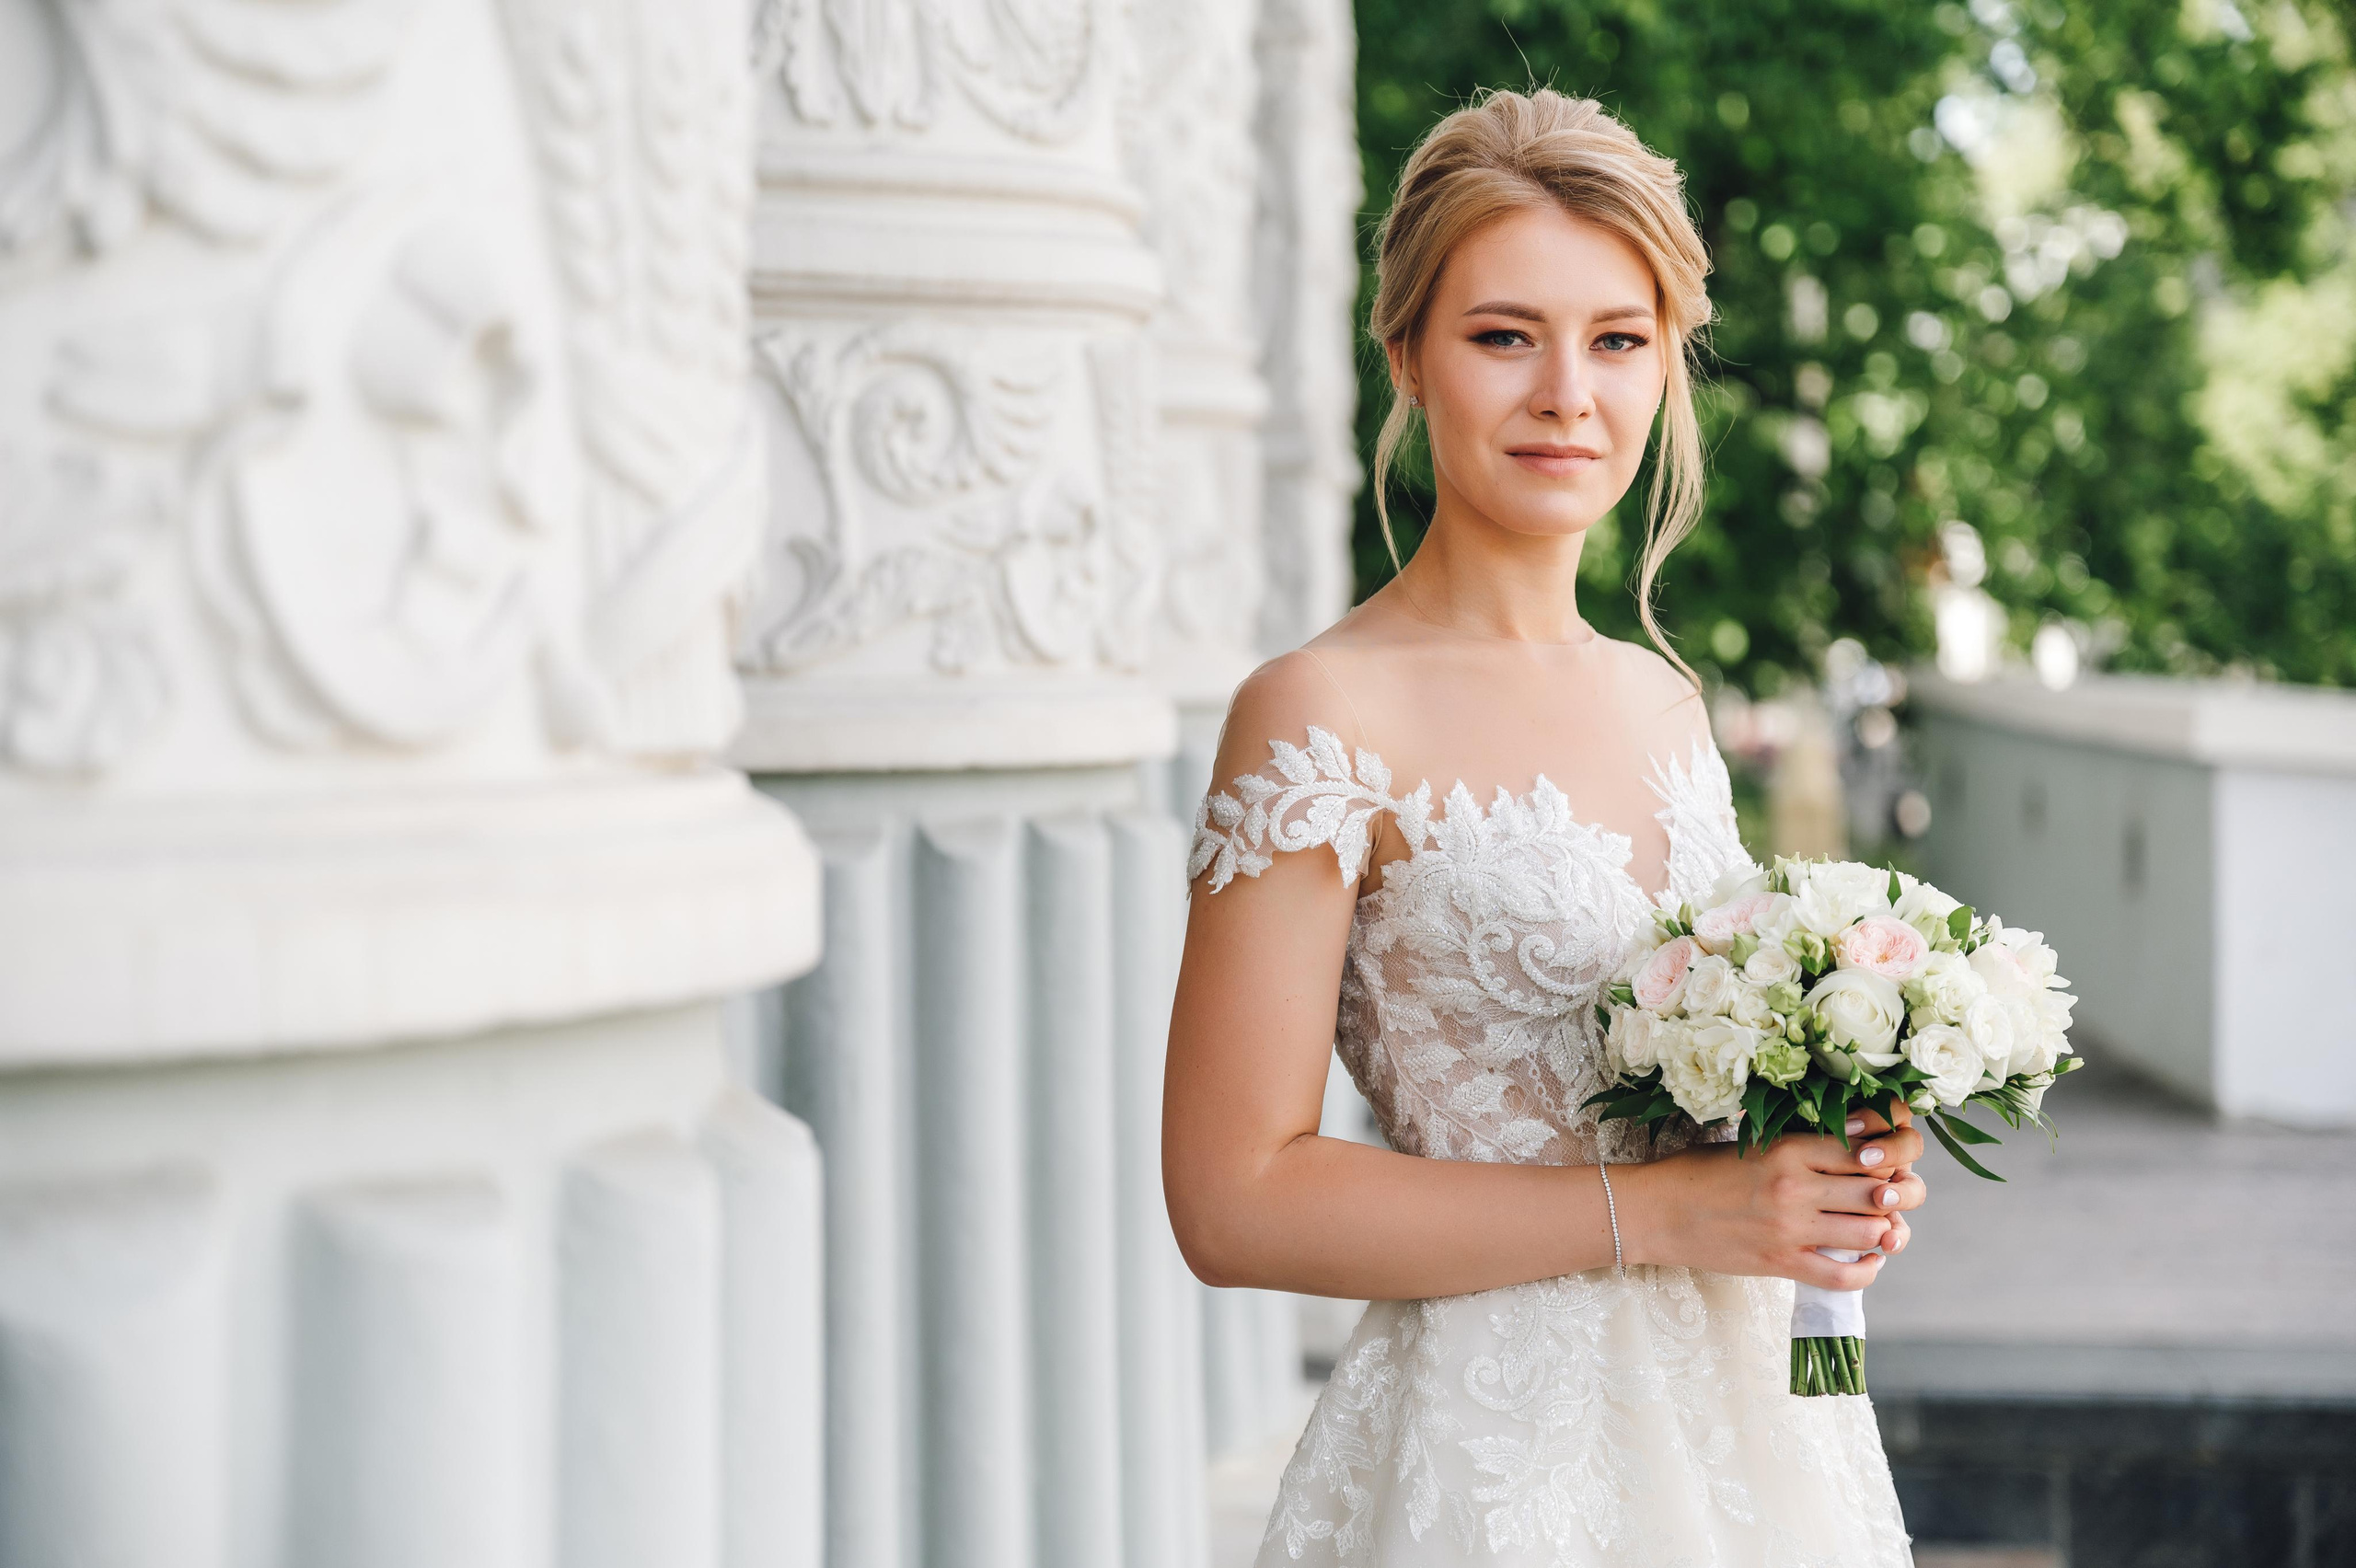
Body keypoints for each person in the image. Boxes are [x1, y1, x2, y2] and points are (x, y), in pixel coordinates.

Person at [1163, 88, 1923, 1565]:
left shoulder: (1666, 703)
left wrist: (1821, 1176)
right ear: (1406, 354)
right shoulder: (1318, 712)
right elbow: (1231, 1197)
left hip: (1757, 1440)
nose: (1568, 393)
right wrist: (1676, 1216)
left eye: (1618, 340)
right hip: (1490, 1465)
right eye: (1505, 335)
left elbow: (1709, 1132)